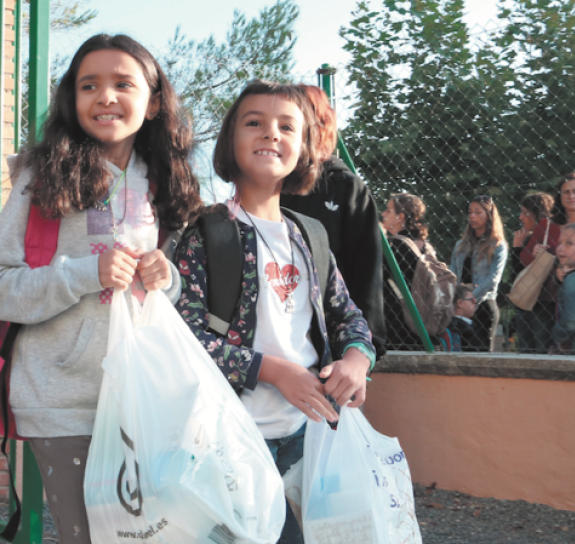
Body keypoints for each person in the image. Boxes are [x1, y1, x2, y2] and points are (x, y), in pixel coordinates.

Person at [0, 34, 202, 544]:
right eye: (88, 85)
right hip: (62, 402)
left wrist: (169, 280)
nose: (105, 97)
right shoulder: (40, 176)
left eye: (123, 83)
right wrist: (85, 273)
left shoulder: (169, 180)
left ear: (155, 99)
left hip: (148, 399)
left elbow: (175, 295)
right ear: (70, 100)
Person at [173, 80, 375, 544]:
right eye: (254, 123)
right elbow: (185, 338)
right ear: (229, 142)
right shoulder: (207, 232)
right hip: (232, 445)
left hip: (312, 441)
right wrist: (274, 371)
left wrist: (357, 359)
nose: (271, 134)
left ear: (305, 148)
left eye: (287, 126)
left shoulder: (311, 235)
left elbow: (348, 316)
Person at [281, 85, 386, 357]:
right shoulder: (267, 185)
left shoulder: (347, 188)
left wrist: (362, 350)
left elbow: (367, 272)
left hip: (334, 343)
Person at [450, 195, 508, 352]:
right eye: (470, 212)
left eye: (478, 212)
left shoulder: (498, 245)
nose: (472, 216)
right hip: (460, 306)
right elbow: (452, 274)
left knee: (481, 352)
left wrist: (471, 298)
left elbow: (493, 279)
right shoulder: (460, 245)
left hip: (483, 304)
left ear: (489, 215)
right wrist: (457, 299)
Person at [380, 194, 434, 350]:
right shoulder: (425, 245)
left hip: (398, 324)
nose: (383, 214)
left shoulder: (394, 246)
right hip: (423, 320)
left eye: (388, 211)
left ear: (400, 217)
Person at [510, 193, 560, 354]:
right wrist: (518, 248)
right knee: (527, 350)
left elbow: (519, 269)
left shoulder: (552, 229)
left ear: (537, 213)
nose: (520, 217)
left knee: (540, 350)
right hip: (527, 300)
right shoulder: (528, 238)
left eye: (525, 212)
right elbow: (517, 274)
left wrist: (518, 249)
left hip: (543, 300)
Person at [550, 222, 575, 354]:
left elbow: (573, 319)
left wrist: (558, 335)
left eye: (569, 243)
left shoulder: (573, 279)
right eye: (560, 242)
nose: (560, 248)